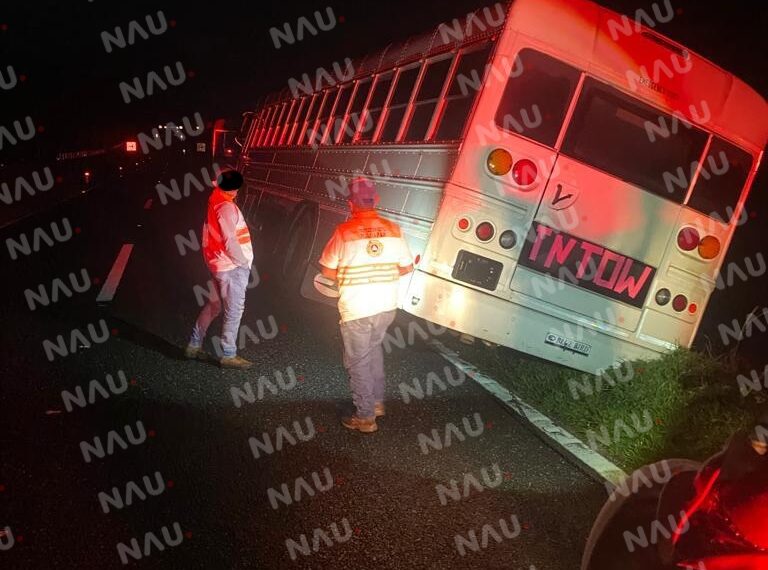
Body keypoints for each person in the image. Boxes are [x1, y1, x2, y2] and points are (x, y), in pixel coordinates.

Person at [319, 177, 414, 433]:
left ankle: (365, 416)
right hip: (385, 306)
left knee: (357, 361)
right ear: (377, 201)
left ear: (351, 204)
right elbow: (406, 266)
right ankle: (377, 403)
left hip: (357, 307)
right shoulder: (394, 229)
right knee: (373, 352)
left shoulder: (344, 232)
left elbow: (327, 269)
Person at [185, 169, 254, 369]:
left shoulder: (214, 199)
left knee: (214, 305)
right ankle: (229, 354)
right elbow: (230, 241)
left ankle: (194, 345)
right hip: (230, 266)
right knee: (234, 310)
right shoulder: (226, 207)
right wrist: (242, 262)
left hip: (218, 263)